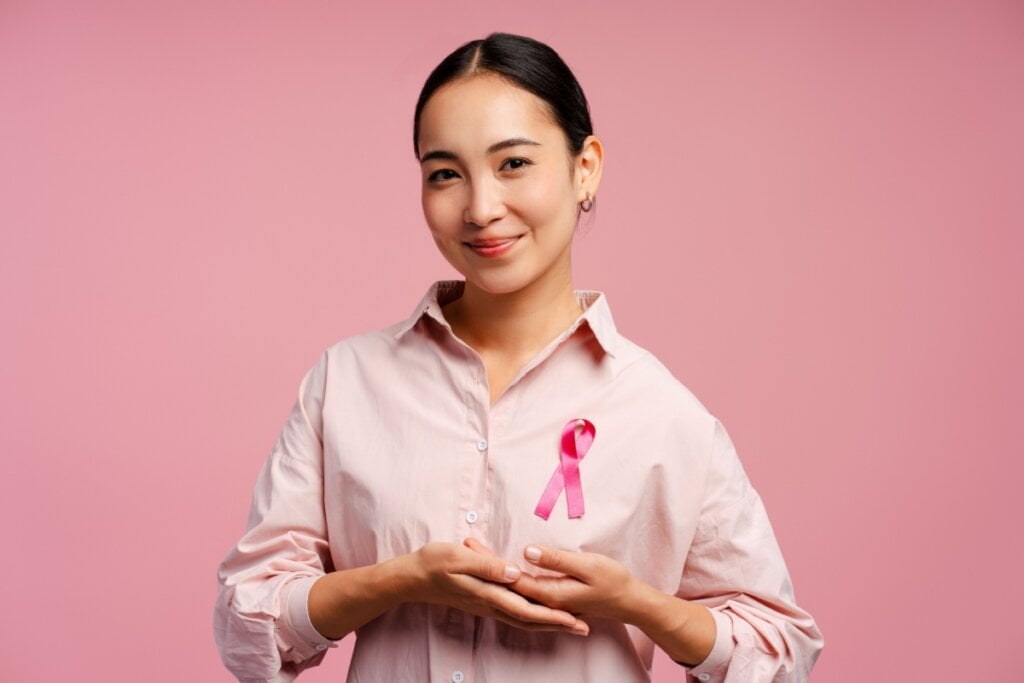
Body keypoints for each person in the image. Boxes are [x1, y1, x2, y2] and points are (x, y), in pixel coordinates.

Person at [213, 32, 824, 683]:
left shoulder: (660, 411)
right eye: (445, 173)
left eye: (513, 164)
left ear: (584, 167)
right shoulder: (345, 383)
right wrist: (398, 580)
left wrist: (636, 603)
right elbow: (245, 626)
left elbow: (781, 649)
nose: (480, 208)